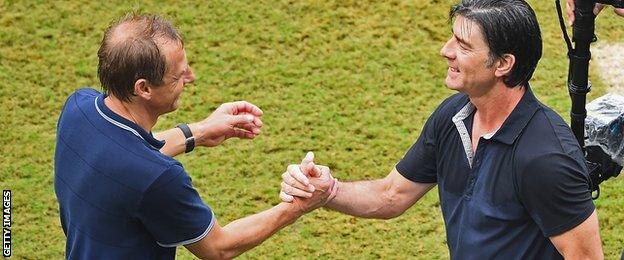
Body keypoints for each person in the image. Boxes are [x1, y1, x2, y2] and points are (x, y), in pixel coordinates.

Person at [279, 0, 604, 259]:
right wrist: (329, 191)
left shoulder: (544, 158)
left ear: (503, 64)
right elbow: (391, 195)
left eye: (463, 45)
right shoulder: (454, 116)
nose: (445, 50)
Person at [54, 14, 328, 259]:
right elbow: (219, 247)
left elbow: (121, 158)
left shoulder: (78, 109)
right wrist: (297, 207)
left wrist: (199, 132)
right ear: (144, 88)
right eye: (179, 75)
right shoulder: (159, 179)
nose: (191, 78)